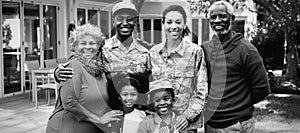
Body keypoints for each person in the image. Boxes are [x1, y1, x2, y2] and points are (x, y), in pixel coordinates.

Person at [54, 1, 151, 109]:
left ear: (135, 21)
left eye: (129, 19)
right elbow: (82, 63)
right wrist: (57, 73)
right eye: (120, 19)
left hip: (138, 112)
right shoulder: (102, 47)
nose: (125, 23)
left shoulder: (147, 50)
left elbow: (158, 79)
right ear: (113, 21)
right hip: (109, 111)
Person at [202, 1, 270, 132]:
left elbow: (262, 89)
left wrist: (239, 104)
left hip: (236, 125)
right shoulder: (205, 49)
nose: (217, 20)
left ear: (232, 19)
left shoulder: (246, 50)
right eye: (213, 17)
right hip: (210, 124)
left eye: (222, 16)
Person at [46, 24, 122, 133]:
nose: (87, 47)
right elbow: (70, 102)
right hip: (67, 128)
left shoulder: (101, 70)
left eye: (92, 43)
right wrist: (99, 119)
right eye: (83, 43)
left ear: (99, 46)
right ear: (75, 47)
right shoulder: (74, 66)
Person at [149, 4, 208, 132]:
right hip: (160, 125)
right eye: (169, 22)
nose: (174, 26)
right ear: (163, 24)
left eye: (178, 22)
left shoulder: (195, 52)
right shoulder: (153, 53)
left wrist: (187, 116)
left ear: (185, 24)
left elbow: (201, 91)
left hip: (186, 126)